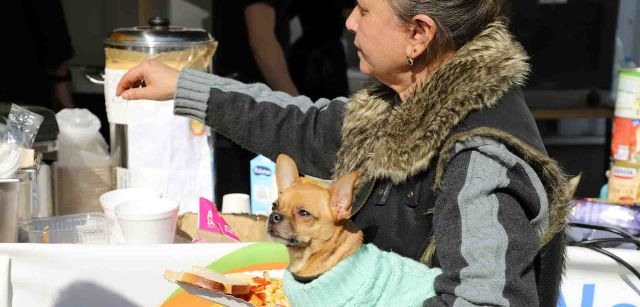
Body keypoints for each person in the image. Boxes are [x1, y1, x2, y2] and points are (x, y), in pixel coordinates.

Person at [116, 0, 572, 305]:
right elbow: (299, 125)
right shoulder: (392, 110)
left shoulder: (479, 155)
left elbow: (485, 301)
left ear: (418, 34)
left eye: (364, 9)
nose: (350, 21)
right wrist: (186, 86)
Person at [211, 0, 296, 206]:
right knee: (250, 203)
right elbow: (262, 41)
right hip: (250, 104)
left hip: (239, 101)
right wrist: (296, 106)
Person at [1, 0, 75, 111]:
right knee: (21, 127)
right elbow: (50, 21)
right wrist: (61, 80)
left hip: (19, 88)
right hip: (21, 90)